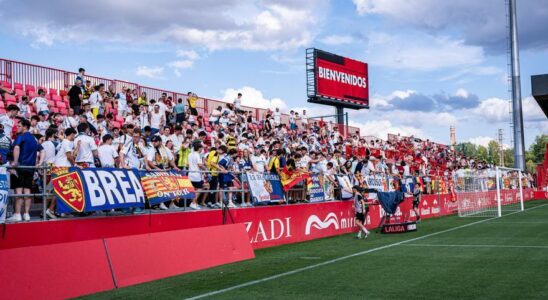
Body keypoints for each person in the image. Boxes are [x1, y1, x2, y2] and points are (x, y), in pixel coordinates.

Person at [7, 119, 45, 222]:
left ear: (25, 127)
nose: (17, 127)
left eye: (19, 126)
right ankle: (27, 214)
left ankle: (18, 214)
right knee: (27, 191)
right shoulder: (34, 139)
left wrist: (15, 162)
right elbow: (42, 150)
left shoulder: (20, 137)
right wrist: (40, 163)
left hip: (19, 168)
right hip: (30, 169)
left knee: (18, 191)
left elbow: (17, 148)